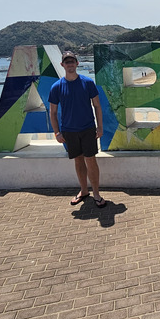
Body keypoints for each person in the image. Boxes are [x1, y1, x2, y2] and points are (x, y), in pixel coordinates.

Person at [49, 51, 106, 208]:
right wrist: (57, 132)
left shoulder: (87, 83)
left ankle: (96, 194)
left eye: (72, 61)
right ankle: (83, 191)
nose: (70, 64)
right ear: (62, 65)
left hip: (88, 129)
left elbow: (97, 106)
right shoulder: (56, 87)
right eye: (67, 62)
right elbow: (52, 112)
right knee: (78, 160)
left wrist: (100, 127)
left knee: (91, 160)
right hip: (69, 131)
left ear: (77, 63)